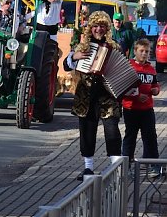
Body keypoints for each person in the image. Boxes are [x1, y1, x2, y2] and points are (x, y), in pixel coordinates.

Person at [67, 11, 122, 180]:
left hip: (107, 95)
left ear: (107, 29)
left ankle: (116, 168)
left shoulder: (115, 47)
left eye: (102, 26)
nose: (99, 29)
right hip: (86, 96)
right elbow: (66, 65)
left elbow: (121, 68)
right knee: (87, 132)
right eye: (95, 26)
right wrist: (74, 57)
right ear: (90, 28)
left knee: (112, 130)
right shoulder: (82, 46)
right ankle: (88, 168)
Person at [121, 38, 161, 177]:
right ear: (135, 51)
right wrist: (136, 96)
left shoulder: (151, 69)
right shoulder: (129, 66)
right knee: (130, 137)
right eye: (141, 51)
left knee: (150, 137)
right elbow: (123, 87)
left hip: (147, 109)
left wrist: (156, 90)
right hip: (131, 109)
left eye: (147, 51)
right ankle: (127, 166)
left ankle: (154, 166)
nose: (144, 54)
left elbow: (155, 85)